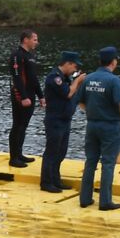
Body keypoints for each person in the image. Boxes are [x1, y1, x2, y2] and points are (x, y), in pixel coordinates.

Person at [76, 46, 120, 211]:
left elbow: (80, 101)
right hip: (109, 125)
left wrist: (93, 112)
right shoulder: (114, 80)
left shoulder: (88, 78)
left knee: (90, 161)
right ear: (114, 62)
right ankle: (105, 201)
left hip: (91, 124)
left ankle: (85, 198)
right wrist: (119, 120)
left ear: (100, 61)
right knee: (107, 163)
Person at [39, 51, 83, 192]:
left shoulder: (65, 78)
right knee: (52, 152)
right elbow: (67, 93)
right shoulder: (54, 77)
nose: (75, 70)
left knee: (61, 152)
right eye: (74, 67)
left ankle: (55, 180)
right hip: (55, 120)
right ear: (68, 63)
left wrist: (75, 80)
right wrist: (78, 80)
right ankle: (46, 182)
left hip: (65, 120)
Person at [8, 29, 41, 166]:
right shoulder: (17, 55)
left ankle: (19, 153)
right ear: (25, 40)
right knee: (18, 125)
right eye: (34, 39)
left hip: (30, 95)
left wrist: (41, 96)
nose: (37, 42)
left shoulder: (30, 56)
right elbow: (17, 77)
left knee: (24, 126)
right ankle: (13, 157)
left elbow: (33, 78)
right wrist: (23, 97)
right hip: (21, 96)